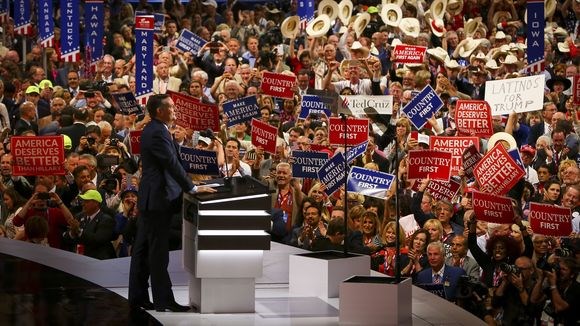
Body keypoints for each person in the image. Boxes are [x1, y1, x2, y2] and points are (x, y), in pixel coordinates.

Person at [128, 94, 216, 313]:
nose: (175, 109)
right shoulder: (157, 131)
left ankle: (138, 297)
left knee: (143, 249)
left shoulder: (157, 130)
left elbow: (171, 159)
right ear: (160, 111)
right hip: (158, 199)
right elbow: (170, 163)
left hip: (152, 198)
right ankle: (163, 300)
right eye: (171, 106)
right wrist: (192, 187)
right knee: (157, 252)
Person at [62, 189, 116, 260]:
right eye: (83, 201)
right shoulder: (79, 216)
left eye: (87, 201)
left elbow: (97, 240)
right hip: (77, 258)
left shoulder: (106, 220)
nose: (83, 204)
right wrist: (72, 232)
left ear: (96, 203)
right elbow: (66, 238)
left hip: (97, 260)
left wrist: (79, 231)